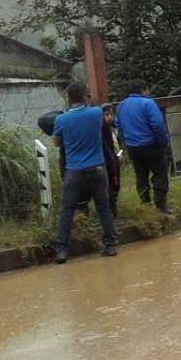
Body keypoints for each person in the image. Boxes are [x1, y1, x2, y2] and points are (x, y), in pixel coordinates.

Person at [51, 83, 118, 263]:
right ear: (84, 97)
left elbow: (57, 143)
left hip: (74, 172)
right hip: (97, 168)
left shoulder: (61, 120)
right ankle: (110, 246)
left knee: (67, 210)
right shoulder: (96, 113)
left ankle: (62, 251)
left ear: (68, 99)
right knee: (104, 208)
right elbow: (102, 116)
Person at [115, 79, 171, 213]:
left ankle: (145, 205)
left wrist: (126, 143)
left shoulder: (121, 105)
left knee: (141, 176)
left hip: (133, 148)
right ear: (144, 89)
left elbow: (118, 125)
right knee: (159, 174)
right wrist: (163, 141)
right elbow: (157, 124)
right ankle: (160, 207)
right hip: (151, 145)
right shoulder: (148, 103)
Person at [101, 104, 121, 214]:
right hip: (107, 163)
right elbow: (107, 150)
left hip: (113, 160)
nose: (110, 117)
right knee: (110, 187)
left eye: (111, 114)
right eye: (106, 114)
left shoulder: (111, 128)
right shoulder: (102, 129)